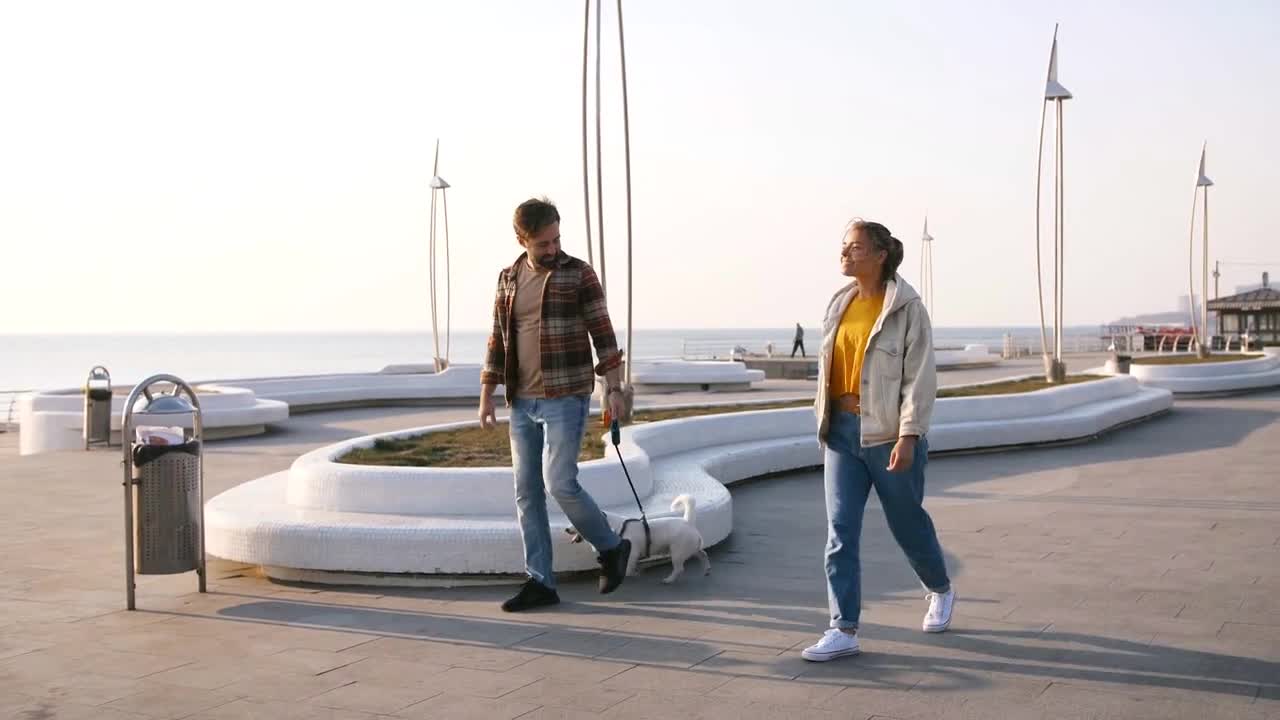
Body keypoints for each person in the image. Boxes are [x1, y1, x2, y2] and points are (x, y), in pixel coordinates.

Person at [801, 219, 954, 662]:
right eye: (844, 246)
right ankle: (843, 628)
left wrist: (908, 435)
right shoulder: (840, 303)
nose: (844, 254)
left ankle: (940, 588)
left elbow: (920, 379)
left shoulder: (907, 309)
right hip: (840, 433)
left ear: (879, 254)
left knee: (906, 522)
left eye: (854, 247)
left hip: (888, 434)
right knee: (840, 532)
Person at [479, 197, 631, 612]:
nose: (552, 249)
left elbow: (603, 333)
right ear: (521, 239)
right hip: (521, 401)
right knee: (526, 492)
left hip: (566, 395)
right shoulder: (508, 279)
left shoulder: (578, 274)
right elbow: (497, 338)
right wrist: (487, 392)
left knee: (559, 482)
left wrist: (614, 389)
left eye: (556, 239)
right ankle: (540, 582)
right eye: (543, 243)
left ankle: (612, 547)